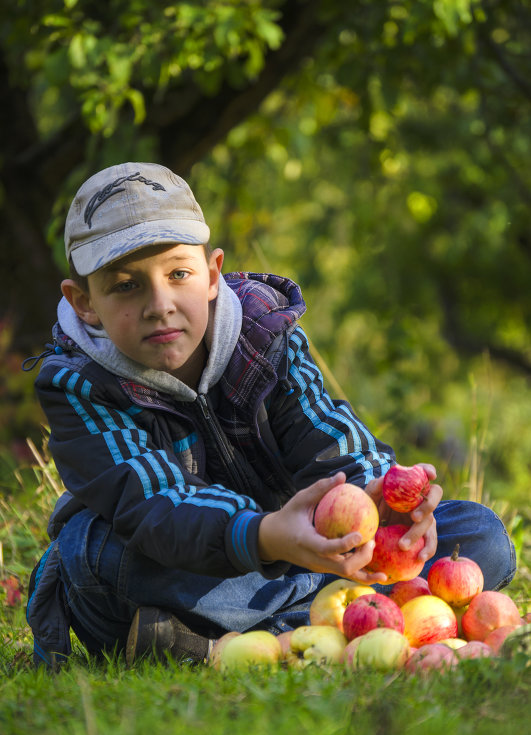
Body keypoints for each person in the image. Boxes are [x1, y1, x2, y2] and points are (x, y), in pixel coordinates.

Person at [25, 162, 516, 669]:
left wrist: (385, 500)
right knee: (91, 558)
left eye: (178, 274)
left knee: (479, 535)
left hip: (298, 550)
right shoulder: (78, 384)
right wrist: (264, 534)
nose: (160, 304)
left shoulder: (264, 334)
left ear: (212, 274)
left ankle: (219, 644)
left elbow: (326, 430)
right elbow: (156, 504)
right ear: (83, 303)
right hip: (205, 562)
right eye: (126, 286)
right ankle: (331, 624)